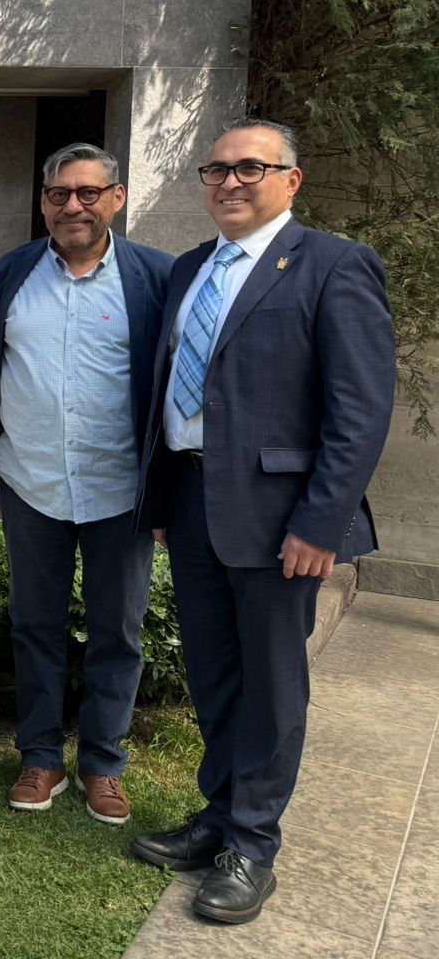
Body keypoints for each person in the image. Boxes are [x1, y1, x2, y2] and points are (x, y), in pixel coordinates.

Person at [130, 118, 395, 923]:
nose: (231, 182)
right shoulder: (189, 269)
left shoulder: (333, 265)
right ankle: (217, 816)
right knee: (214, 676)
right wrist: (166, 502)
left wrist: (321, 521)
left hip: (283, 521)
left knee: (273, 686)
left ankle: (252, 845)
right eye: (217, 170)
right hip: (194, 506)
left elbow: (360, 410)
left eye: (250, 167)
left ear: (291, 179)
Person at [0, 143, 173, 825]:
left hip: (119, 491)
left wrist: (168, 488)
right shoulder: (7, 275)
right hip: (31, 482)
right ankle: (40, 758)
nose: (73, 205)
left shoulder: (157, 277)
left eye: (89, 192)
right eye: (59, 193)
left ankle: (103, 764)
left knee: (117, 632)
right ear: (43, 202)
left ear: (116, 199)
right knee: (33, 624)